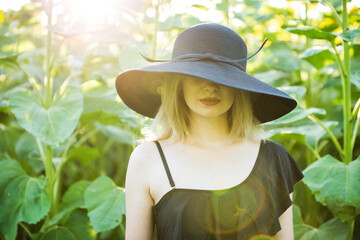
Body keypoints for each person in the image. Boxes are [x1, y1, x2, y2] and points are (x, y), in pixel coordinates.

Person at [115, 23, 303, 240]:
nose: (210, 87)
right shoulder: (148, 159)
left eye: (221, 78)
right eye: (196, 75)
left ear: (239, 87)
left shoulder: (273, 159)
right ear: (179, 84)